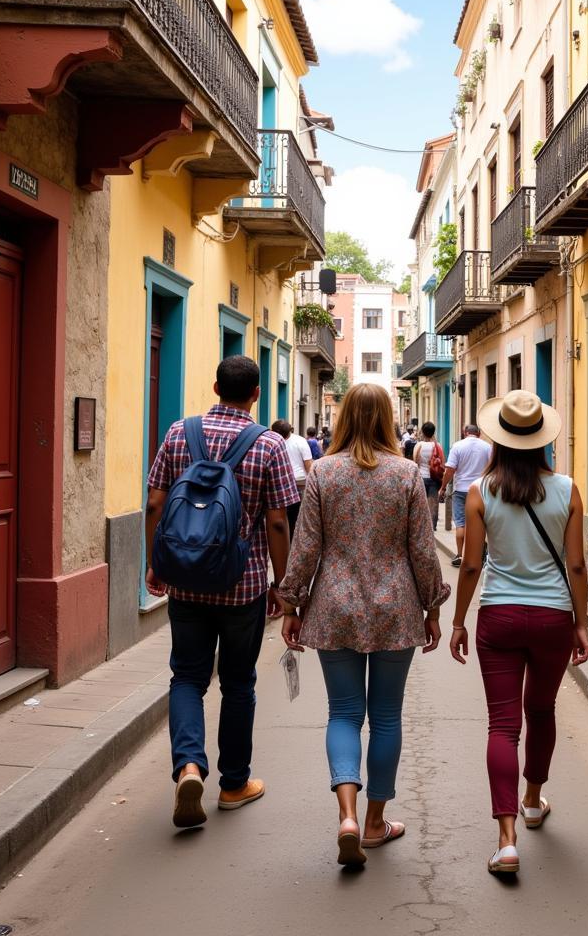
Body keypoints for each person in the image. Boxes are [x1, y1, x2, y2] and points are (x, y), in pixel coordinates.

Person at [277, 383, 449, 868]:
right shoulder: (405, 474)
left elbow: (305, 545)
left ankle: (347, 817)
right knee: (387, 716)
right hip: (395, 607)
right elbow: (422, 548)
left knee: (344, 713)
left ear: (346, 416)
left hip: (333, 607)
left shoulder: (323, 473)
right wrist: (433, 607)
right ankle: (375, 823)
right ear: (389, 419)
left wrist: (291, 604)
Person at [146, 356, 297, 828]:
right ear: (255, 394)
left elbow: (154, 501)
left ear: (214, 387)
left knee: (187, 678)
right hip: (242, 586)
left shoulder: (178, 433)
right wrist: (282, 586)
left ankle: (189, 765)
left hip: (187, 585)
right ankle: (233, 784)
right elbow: (276, 520)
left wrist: (156, 564)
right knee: (238, 683)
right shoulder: (269, 445)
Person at [449, 391, 588, 875]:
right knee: (542, 709)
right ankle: (533, 799)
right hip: (552, 618)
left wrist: (457, 622)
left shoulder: (480, 492)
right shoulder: (568, 489)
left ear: (500, 441)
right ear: (542, 441)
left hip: (499, 618)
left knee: (502, 725)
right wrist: (582, 623)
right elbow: (575, 563)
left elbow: (471, 565)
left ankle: (506, 840)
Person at [438, 423, 491, 567]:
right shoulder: (487, 447)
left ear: (465, 433)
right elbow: (493, 469)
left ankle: (460, 555)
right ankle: (476, 555)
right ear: (478, 434)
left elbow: (450, 470)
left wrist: (443, 487)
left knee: (461, 523)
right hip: (480, 491)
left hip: (460, 490)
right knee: (479, 523)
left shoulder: (457, 446)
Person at [273, 420, 312, 536]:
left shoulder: (272, 441)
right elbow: (308, 465)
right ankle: (292, 539)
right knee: (295, 516)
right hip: (299, 482)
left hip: (280, 483)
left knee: (280, 515)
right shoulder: (301, 441)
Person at [412, 421, 443, 529]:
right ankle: (432, 527)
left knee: (421, 503)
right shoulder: (438, 445)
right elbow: (442, 463)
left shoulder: (419, 445)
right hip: (434, 478)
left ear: (423, 432)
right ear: (433, 432)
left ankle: (422, 526)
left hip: (421, 477)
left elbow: (414, 462)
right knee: (433, 503)